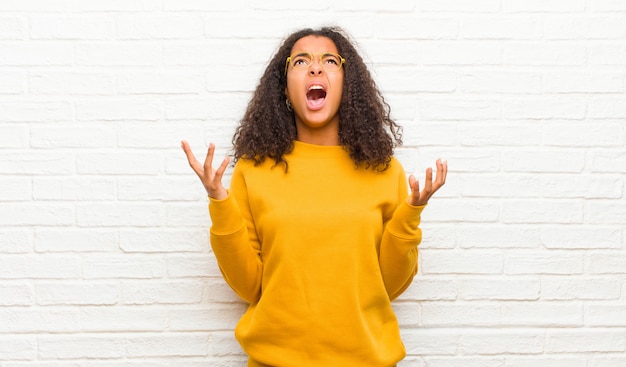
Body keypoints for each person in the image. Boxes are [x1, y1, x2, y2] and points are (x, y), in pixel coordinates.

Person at [181, 26, 447, 367]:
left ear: (347, 83)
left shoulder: (384, 170)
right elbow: (248, 285)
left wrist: (411, 214)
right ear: (284, 87)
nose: (315, 68)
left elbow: (389, 285)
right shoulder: (254, 169)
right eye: (301, 61)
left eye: (329, 60)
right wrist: (219, 201)